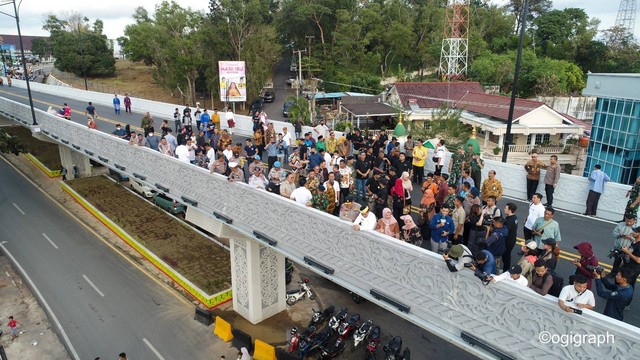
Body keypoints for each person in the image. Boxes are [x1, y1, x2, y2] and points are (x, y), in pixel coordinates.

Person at [502, 203, 518, 272]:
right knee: (507, 255)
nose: (504, 209)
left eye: (506, 208)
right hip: (512, 239)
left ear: (510, 210)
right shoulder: (515, 218)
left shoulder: (509, 221)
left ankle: (506, 270)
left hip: (508, 241)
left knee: (506, 256)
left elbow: (505, 232)